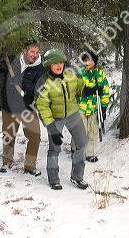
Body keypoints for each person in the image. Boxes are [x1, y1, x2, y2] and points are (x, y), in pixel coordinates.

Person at [35, 49, 89, 190]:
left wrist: (84, 90)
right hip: (55, 119)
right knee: (55, 149)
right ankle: (53, 179)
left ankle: (77, 176)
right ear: (49, 65)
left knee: (82, 144)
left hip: (73, 114)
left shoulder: (71, 74)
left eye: (61, 62)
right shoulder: (43, 83)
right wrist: (52, 128)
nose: (59, 66)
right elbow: (42, 107)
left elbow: (79, 89)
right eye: (55, 63)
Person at [0, 42, 45, 176]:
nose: (35, 55)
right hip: (9, 106)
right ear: (24, 51)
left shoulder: (40, 68)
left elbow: (37, 89)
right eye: (32, 51)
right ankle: (7, 161)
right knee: (8, 135)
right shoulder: (12, 60)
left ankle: (30, 166)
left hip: (28, 108)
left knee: (35, 137)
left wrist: (21, 84)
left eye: (37, 52)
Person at [72, 50, 110, 163]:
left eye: (90, 60)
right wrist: (85, 91)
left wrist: (103, 108)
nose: (87, 62)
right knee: (80, 130)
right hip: (81, 107)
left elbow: (105, 92)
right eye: (85, 60)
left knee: (93, 131)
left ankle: (90, 153)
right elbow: (74, 90)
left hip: (94, 108)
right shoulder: (79, 74)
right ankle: (75, 150)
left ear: (94, 61)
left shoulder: (100, 74)